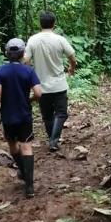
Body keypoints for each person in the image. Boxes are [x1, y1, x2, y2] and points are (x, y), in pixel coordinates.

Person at [0, 38, 42, 198]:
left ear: (7, 53)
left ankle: (23, 172)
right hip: (24, 114)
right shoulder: (28, 71)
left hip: (8, 116)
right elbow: (39, 93)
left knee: (12, 146)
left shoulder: (1, 71)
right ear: (22, 53)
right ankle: (30, 186)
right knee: (26, 147)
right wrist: (30, 99)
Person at [24, 11, 76, 152]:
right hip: (59, 84)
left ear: (40, 23)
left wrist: (30, 76)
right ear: (54, 23)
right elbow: (72, 56)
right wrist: (71, 68)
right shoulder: (60, 39)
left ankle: (52, 138)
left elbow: (26, 60)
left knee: (47, 115)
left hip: (41, 85)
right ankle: (53, 140)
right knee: (61, 113)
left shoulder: (33, 40)